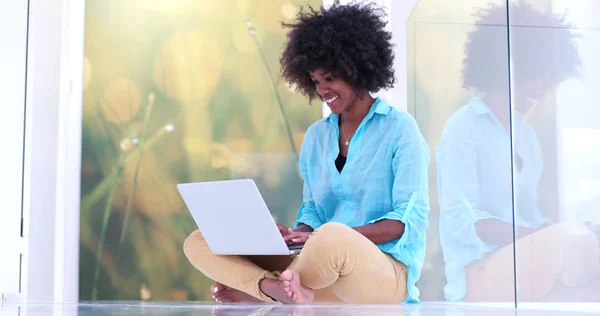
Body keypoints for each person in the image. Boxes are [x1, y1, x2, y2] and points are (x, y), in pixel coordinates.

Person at [183, 1, 430, 305]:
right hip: (318, 270)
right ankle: (276, 289)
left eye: (330, 77)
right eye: (315, 81)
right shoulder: (316, 137)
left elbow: (405, 223)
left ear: (358, 68)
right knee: (199, 239)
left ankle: (257, 290)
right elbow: (312, 213)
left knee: (333, 235)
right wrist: (294, 235)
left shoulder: (400, 129)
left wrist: (318, 239)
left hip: (382, 275)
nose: (322, 89)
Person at [437, 1, 600, 302]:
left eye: (550, 77)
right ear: (504, 68)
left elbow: (529, 215)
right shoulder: (463, 127)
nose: (543, 86)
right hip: (477, 272)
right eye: (537, 73)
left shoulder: (526, 136)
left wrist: (548, 229)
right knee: (574, 245)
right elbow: (462, 222)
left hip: (522, 261)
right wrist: (542, 236)